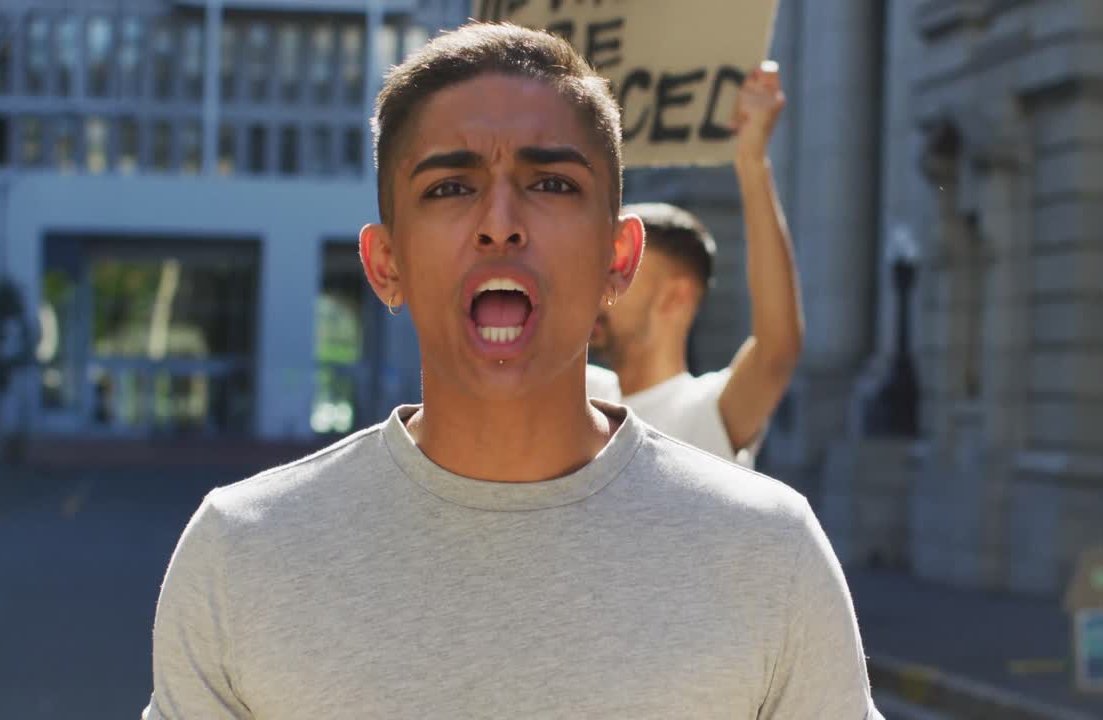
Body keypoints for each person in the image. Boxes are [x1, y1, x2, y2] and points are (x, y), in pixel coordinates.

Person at [144, 23, 880, 719]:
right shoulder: (240, 552)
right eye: (449, 187)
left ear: (618, 260)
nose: (500, 221)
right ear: (385, 264)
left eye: (552, 183)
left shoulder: (768, 552)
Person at [587, 64, 803, 468]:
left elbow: (778, 350)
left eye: (621, 269)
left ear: (676, 296)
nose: (599, 288)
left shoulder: (706, 410)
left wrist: (752, 159)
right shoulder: (580, 397)